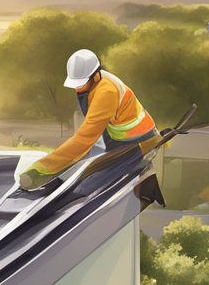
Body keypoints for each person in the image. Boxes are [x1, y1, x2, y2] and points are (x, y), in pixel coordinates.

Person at [19, 48, 158, 191]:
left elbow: (83, 139)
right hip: (119, 137)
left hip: (136, 142)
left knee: (95, 185)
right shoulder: (97, 83)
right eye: (75, 84)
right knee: (88, 170)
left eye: (81, 83)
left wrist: (41, 168)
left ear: (95, 76)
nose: (77, 88)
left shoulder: (106, 93)